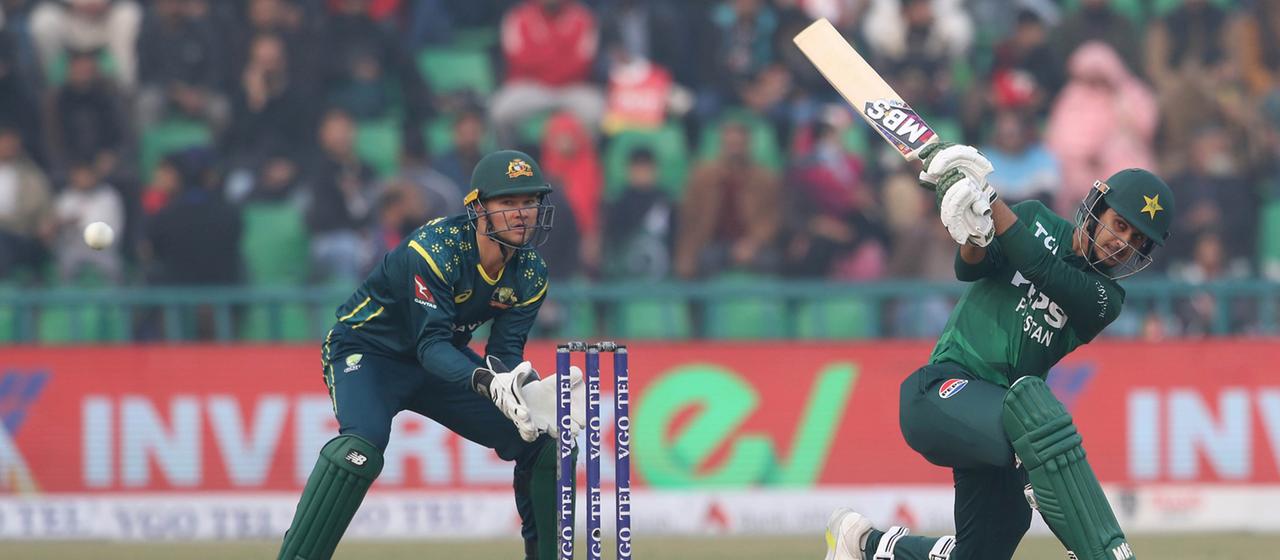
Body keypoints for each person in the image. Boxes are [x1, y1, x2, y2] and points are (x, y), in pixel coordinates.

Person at [822, 141, 1177, 560]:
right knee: (1034, 408)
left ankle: (863, 543)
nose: (1123, 242)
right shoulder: (1032, 218)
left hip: (1007, 433)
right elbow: (968, 266)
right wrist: (975, 229)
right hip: (942, 394)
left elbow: (1045, 271)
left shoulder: (1105, 298)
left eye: (1137, 240)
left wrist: (989, 199)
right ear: (1098, 208)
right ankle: (1103, 552)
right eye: (1120, 225)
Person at [277, 150, 584, 560]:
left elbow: (503, 352)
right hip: (368, 352)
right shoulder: (435, 250)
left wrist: (521, 391)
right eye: (507, 203)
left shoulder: (530, 274)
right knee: (361, 449)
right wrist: (489, 383)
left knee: (544, 440)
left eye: (529, 202)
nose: (522, 213)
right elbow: (431, 344)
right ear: (478, 209)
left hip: (441, 364)